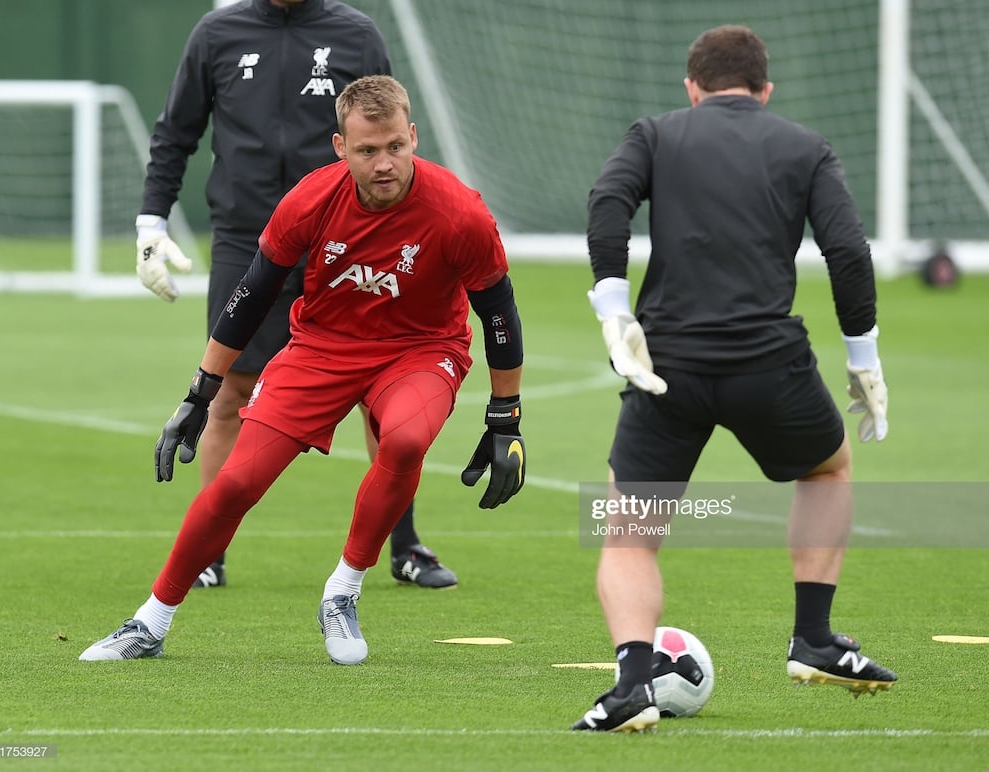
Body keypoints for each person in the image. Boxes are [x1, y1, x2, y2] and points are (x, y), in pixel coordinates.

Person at [81, 75, 527, 666]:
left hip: (422, 349)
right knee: (237, 482)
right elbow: (251, 294)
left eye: (395, 145)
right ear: (341, 148)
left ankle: (342, 591)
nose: (385, 162)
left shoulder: (460, 212)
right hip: (322, 348)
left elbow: (498, 310)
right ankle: (151, 621)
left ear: (413, 136)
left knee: (407, 438)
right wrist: (199, 391)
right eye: (368, 150)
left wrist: (505, 418)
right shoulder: (311, 200)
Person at [572, 25, 895, 733]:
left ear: (692, 88)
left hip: (670, 367)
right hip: (766, 362)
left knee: (628, 531)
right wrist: (863, 358)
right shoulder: (804, 146)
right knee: (829, 467)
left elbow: (606, 203)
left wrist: (614, 312)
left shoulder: (656, 133)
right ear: (764, 90)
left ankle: (631, 683)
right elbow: (846, 249)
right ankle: (813, 638)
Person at [135, 0, 456, 591]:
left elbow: (388, 136)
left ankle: (404, 546)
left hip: (350, 235)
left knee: (381, 390)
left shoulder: (355, 33)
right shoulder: (217, 33)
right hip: (246, 236)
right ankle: (209, 552)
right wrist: (151, 222)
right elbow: (177, 131)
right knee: (232, 387)